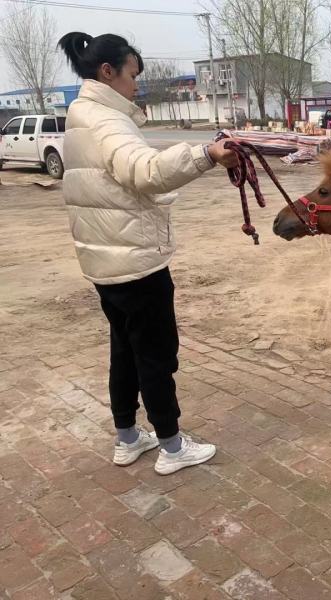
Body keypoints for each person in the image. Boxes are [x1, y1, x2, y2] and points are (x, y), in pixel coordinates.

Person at [58, 32, 239, 475]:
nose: (136, 85)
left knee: (124, 350)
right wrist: (207, 155)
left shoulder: (82, 114)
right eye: (133, 75)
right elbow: (146, 172)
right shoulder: (106, 121)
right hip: (136, 262)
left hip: (106, 263)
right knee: (156, 355)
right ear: (108, 72)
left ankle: (127, 438)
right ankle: (173, 448)